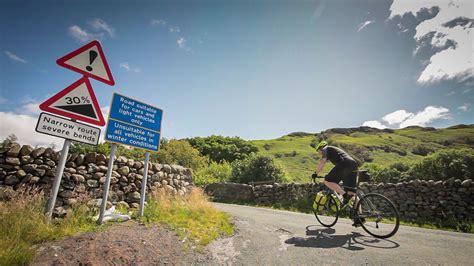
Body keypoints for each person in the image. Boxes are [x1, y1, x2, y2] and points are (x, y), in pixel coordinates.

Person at [313, 141, 358, 206]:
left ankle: (345, 196)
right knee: (351, 193)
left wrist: (315, 173)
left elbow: (322, 162)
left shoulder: (326, 149)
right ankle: (358, 213)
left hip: (345, 164)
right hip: (353, 165)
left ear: (320, 148)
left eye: (318, 151)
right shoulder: (333, 152)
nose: (319, 153)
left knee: (327, 181)